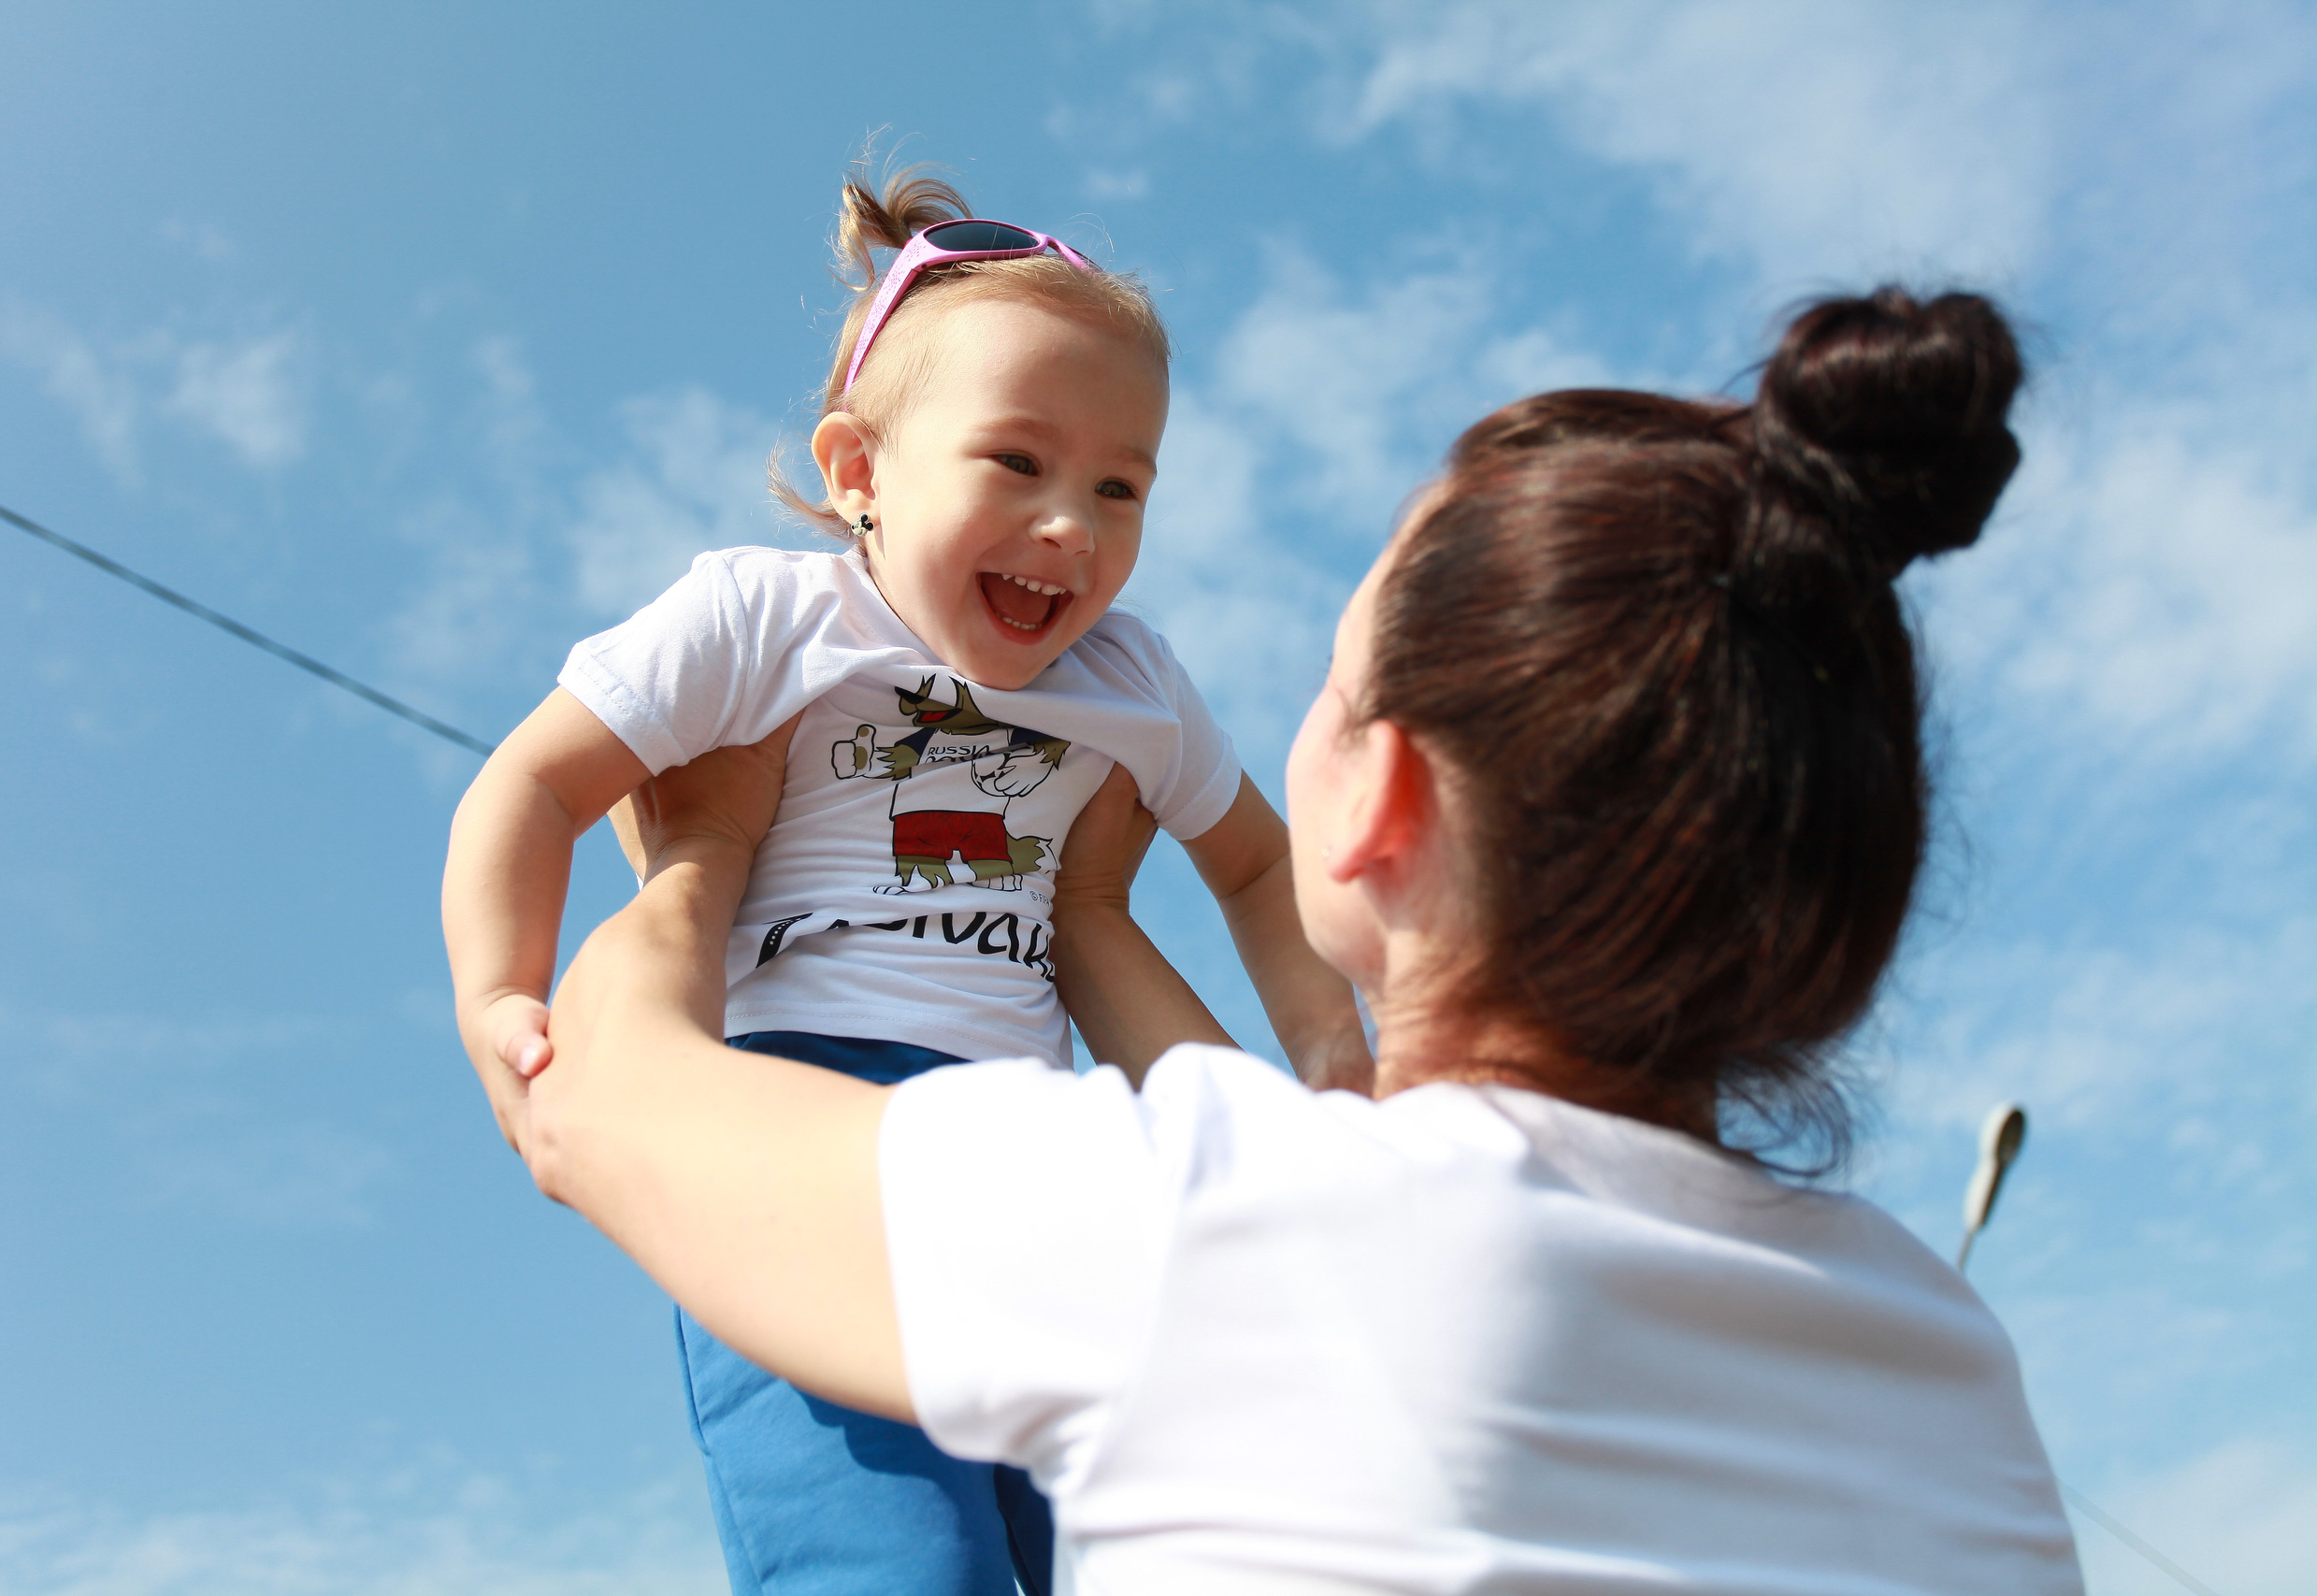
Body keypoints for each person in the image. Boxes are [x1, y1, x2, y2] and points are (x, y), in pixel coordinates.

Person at [502, 286, 2087, 1594]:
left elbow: (592, 1104)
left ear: (1378, 802)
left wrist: (704, 845)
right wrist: (1088, 912)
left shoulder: (1211, 1240)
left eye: (1330, 688)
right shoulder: (1949, 1366)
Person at [441, 164, 1368, 1596]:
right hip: (799, 1126)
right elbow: (537, 781)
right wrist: (500, 990)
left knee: (1134, 1546)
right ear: (859, 474)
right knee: (884, 1554)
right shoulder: (764, 618)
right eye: (1020, 464)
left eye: (1122, 487)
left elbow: (1254, 863)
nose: (1075, 523)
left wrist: (1327, 1047)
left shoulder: (1131, 683)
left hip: (1048, 1148)